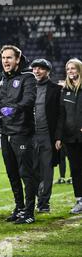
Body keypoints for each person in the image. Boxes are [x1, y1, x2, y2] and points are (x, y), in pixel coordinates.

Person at [0, 45, 39, 224]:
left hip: (23, 132)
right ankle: (20, 207)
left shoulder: (28, 77)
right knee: (12, 173)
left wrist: (13, 109)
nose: (5, 61)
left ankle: (29, 212)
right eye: (3, 58)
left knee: (26, 173)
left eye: (9, 58)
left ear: (17, 59)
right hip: (5, 131)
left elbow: (29, 100)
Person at [30, 58, 61, 213]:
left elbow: (60, 115)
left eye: (40, 68)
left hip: (47, 136)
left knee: (47, 169)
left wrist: (58, 137)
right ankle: (36, 196)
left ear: (47, 71)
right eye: (34, 68)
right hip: (30, 136)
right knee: (33, 169)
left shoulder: (56, 89)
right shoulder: (28, 87)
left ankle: (44, 203)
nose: (36, 71)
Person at [56, 58, 82, 214]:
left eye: (73, 68)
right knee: (76, 169)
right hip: (70, 138)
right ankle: (80, 200)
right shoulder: (64, 91)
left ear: (79, 70)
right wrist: (58, 137)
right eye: (68, 69)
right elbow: (60, 116)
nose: (70, 71)